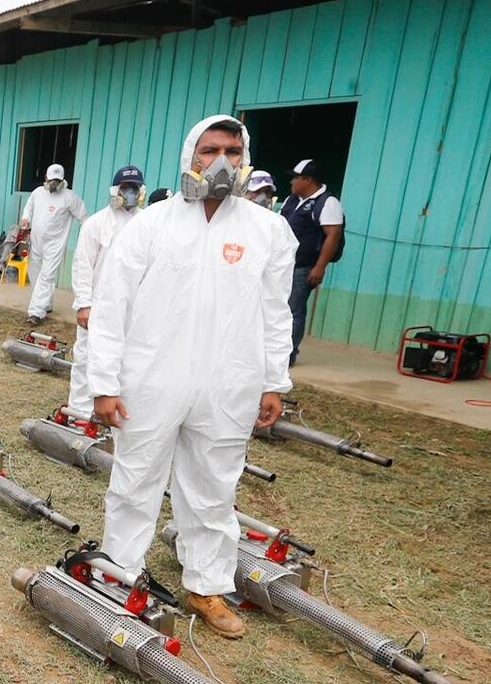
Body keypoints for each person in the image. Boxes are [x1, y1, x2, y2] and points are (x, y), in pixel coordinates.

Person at [87, 114, 296, 640]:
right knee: (135, 482)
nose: (220, 161)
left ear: (244, 158)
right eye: (208, 150)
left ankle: (207, 584)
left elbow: (277, 312)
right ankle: (118, 576)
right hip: (152, 379)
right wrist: (104, 383)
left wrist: (274, 381)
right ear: (189, 156)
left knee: (214, 488)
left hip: (230, 382)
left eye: (231, 149)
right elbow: (112, 307)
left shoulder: (267, 230)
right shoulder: (151, 224)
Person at [68, 165, 146, 409]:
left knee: (126, 360)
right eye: (125, 188)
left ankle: (114, 408)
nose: (130, 193)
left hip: (133, 306)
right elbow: (82, 264)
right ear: (115, 190)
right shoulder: (96, 223)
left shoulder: (147, 223)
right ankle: (79, 411)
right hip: (98, 305)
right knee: (86, 358)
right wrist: (83, 303)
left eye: (134, 188)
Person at [278, 159, 344, 366]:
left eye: (296, 178)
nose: (292, 182)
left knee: (294, 310)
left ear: (308, 180)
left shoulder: (327, 203)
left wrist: (319, 267)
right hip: (282, 264)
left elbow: (332, 235)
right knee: (277, 308)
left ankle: (288, 354)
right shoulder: (292, 200)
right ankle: (274, 351)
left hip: (304, 267)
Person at [19, 163, 87, 325]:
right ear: (46, 179)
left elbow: (84, 217)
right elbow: (29, 208)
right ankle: (46, 304)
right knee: (35, 273)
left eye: (57, 180)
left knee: (47, 276)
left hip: (55, 244)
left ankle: (36, 312)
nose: (54, 184)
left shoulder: (70, 197)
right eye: (51, 180)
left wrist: (87, 236)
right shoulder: (37, 193)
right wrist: (25, 218)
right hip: (36, 242)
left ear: (63, 180)